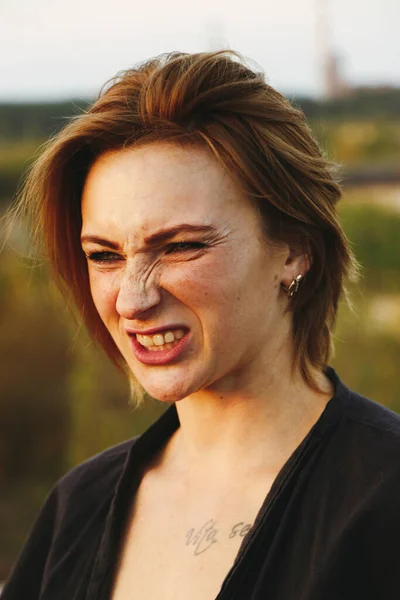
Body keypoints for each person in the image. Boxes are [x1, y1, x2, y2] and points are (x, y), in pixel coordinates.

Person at [3, 50, 400, 600]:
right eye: (104, 255)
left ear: (295, 250)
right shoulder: (78, 507)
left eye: (182, 246)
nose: (133, 299)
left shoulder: (385, 501)